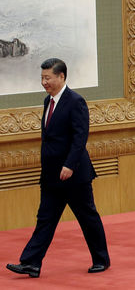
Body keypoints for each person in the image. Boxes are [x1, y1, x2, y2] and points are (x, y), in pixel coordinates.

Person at [6, 58, 110, 278]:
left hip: (73, 174)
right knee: (45, 219)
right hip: (52, 175)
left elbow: (80, 137)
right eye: (42, 78)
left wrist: (69, 165)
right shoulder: (48, 101)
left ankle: (101, 259)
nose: (44, 82)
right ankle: (31, 263)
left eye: (48, 78)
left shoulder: (75, 101)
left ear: (61, 76)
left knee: (87, 217)